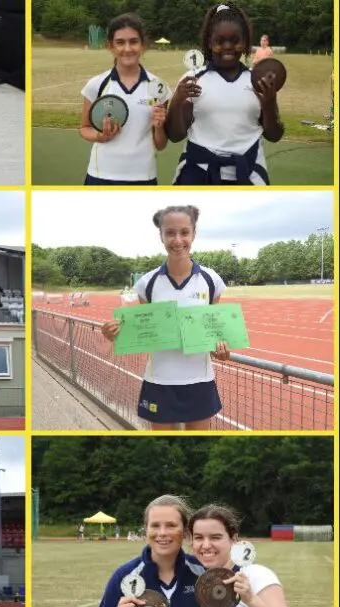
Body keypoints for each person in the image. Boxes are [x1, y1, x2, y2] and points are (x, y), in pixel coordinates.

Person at [100, 206, 229, 430]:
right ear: (161, 236)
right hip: (159, 382)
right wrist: (113, 335)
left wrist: (220, 349)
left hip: (199, 381)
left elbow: (212, 335)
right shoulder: (146, 284)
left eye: (184, 232)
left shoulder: (212, 281)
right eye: (170, 233)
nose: (177, 240)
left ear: (194, 234)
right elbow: (143, 334)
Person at [166, 3, 283, 185]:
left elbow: (274, 135)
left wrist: (269, 103)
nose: (228, 46)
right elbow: (175, 135)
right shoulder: (193, 78)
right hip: (198, 170)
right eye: (219, 41)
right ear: (209, 43)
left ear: (245, 43)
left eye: (235, 40)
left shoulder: (256, 81)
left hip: (248, 171)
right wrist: (177, 101)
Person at [79, 14, 168, 184]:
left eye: (133, 41)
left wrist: (160, 127)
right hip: (100, 175)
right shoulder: (96, 84)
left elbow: (161, 144)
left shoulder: (158, 87)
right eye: (120, 42)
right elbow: (84, 128)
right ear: (110, 46)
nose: (127, 48)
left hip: (144, 176)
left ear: (143, 45)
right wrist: (100, 136)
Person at [92, 495, 203, 607]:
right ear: (146, 531)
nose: (162, 533)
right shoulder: (125, 575)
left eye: (171, 525)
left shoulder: (202, 572)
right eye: (155, 525)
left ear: (185, 531)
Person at [189, 505, 292, 607]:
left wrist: (251, 600)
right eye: (199, 538)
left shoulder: (256, 575)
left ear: (233, 539)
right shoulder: (204, 583)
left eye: (215, 537)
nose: (206, 545)